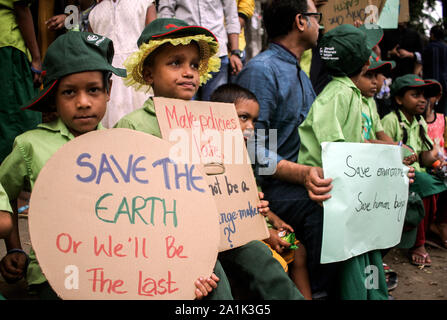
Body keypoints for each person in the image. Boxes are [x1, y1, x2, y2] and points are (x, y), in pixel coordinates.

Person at [0, 31, 219, 300]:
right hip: (52, 275)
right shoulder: (29, 145)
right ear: (53, 96)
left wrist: (181, 272)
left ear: (108, 91)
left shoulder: (125, 146)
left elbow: (147, 214)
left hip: (116, 272)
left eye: (93, 90)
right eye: (69, 92)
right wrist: (14, 249)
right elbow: (4, 195)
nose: (82, 102)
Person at [115, 18, 304, 299]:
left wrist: (248, 204)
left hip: (223, 228)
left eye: (194, 64)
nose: (189, 72)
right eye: (175, 63)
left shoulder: (212, 121)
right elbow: (126, 199)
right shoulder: (132, 127)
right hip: (171, 238)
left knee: (264, 263)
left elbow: (228, 180)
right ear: (148, 72)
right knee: (215, 283)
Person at [235, 0, 336, 299]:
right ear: (301, 22)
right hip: (269, 192)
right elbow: (252, 149)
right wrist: (302, 173)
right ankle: (316, 293)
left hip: (294, 184)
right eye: (316, 17)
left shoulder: (299, 73)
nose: (320, 24)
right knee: (328, 204)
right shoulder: (262, 71)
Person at [298, 24, 395, 300]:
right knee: (353, 243)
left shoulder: (352, 93)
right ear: (365, 64)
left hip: (344, 183)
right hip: (326, 185)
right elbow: (336, 152)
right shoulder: (337, 95)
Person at [210, 83, 313, 299]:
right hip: (242, 235)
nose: (251, 127)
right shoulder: (211, 159)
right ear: (218, 115)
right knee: (272, 259)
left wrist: (275, 220)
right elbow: (230, 217)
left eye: (254, 120)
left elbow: (252, 199)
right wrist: (268, 236)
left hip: (261, 226)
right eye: (244, 117)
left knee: (298, 249)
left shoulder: (241, 154)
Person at [382, 74, 447, 267]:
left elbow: (424, 157)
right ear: (399, 99)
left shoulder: (419, 122)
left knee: (437, 181)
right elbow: (384, 155)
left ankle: (437, 226)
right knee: (425, 187)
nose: (422, 100)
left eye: (424, 96)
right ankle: (417, 244)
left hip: (419, 173)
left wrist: (435, 156)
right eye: (415, 95)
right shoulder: (391, 120)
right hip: (397, 175)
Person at [88, 0, 156, 128]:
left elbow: (153, 44)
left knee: (143, 123)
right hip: (108, 75)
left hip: (138, 74)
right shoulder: (95, 13)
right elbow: (93, 52)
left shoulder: (145, 4)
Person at [157, 0, 242, 101]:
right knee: (185, 106)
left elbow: (231, 15)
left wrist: (235, 52)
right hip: (184, 53)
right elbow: (166, 12)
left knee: (216, 107)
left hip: (217, 53)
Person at [0, 0, 42, 163]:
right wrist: (36, 58)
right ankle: (14, 177)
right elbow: (21, 8)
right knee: (18, 117)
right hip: (9, 47)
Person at [423, 25, 447, 115]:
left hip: (429, 83)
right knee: (443, 110)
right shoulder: (445, 47)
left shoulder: (428, 48)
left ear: (432, 35)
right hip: (444, 83)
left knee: (429, 109)